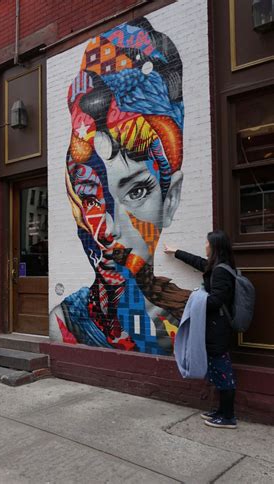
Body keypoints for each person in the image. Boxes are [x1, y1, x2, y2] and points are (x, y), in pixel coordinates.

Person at [49, 17, 191, 355]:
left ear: (169, 201)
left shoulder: (185, 320)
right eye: (92, 197)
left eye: (137, 192)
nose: (108, 228)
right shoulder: (66, 323)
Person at [164, 230, 237, 429]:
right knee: (216, 368)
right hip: (214, 327)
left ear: (214, 246)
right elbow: (199, 263)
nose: (205, 245)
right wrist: (176, 252)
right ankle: (221, 411)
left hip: (218, 328)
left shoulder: (221, 271)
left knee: (223, 371)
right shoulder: (217, 267)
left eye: (207, 242)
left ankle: (228, 416)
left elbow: (216, 301)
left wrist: (196, 296)